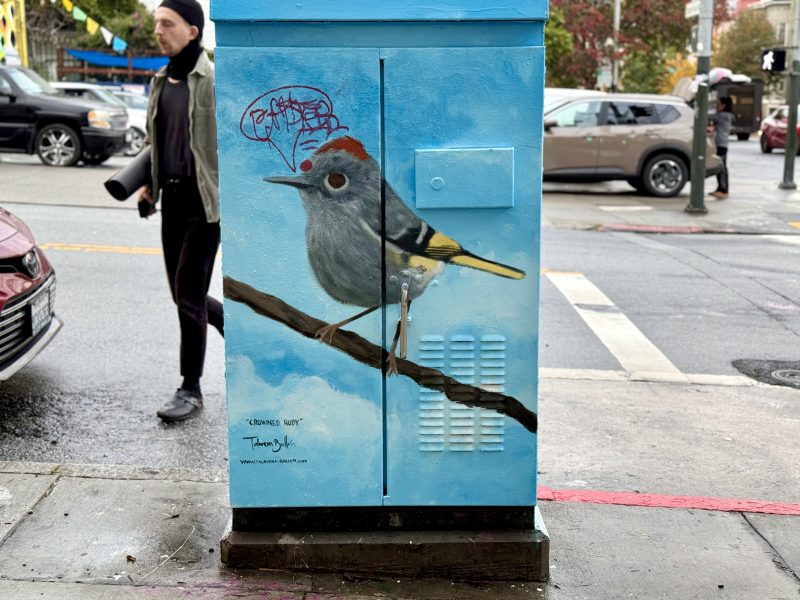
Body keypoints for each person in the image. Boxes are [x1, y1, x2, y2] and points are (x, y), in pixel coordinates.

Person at [137, 0, 222, 423]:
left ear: (192, 31)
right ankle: (231, 321)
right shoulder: (160, 81)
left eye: (167, 24)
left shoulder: (211, 80)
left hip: (204, 205)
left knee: (188, 295)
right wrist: (147, 187)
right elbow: (156, 141)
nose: (158, 31)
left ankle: (191, 388)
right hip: (171, 201)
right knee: (181, 294)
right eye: (157, 23)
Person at [708, 97, 733, 200]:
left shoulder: (724, 116)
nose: (716, 106)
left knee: (721, 167)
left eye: (718, 104)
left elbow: (708, 117)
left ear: (724, 105)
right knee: (720, 166)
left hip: (721, 144)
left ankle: (723, 189)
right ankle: (720, 188)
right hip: (720, 144)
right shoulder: (724, 115)